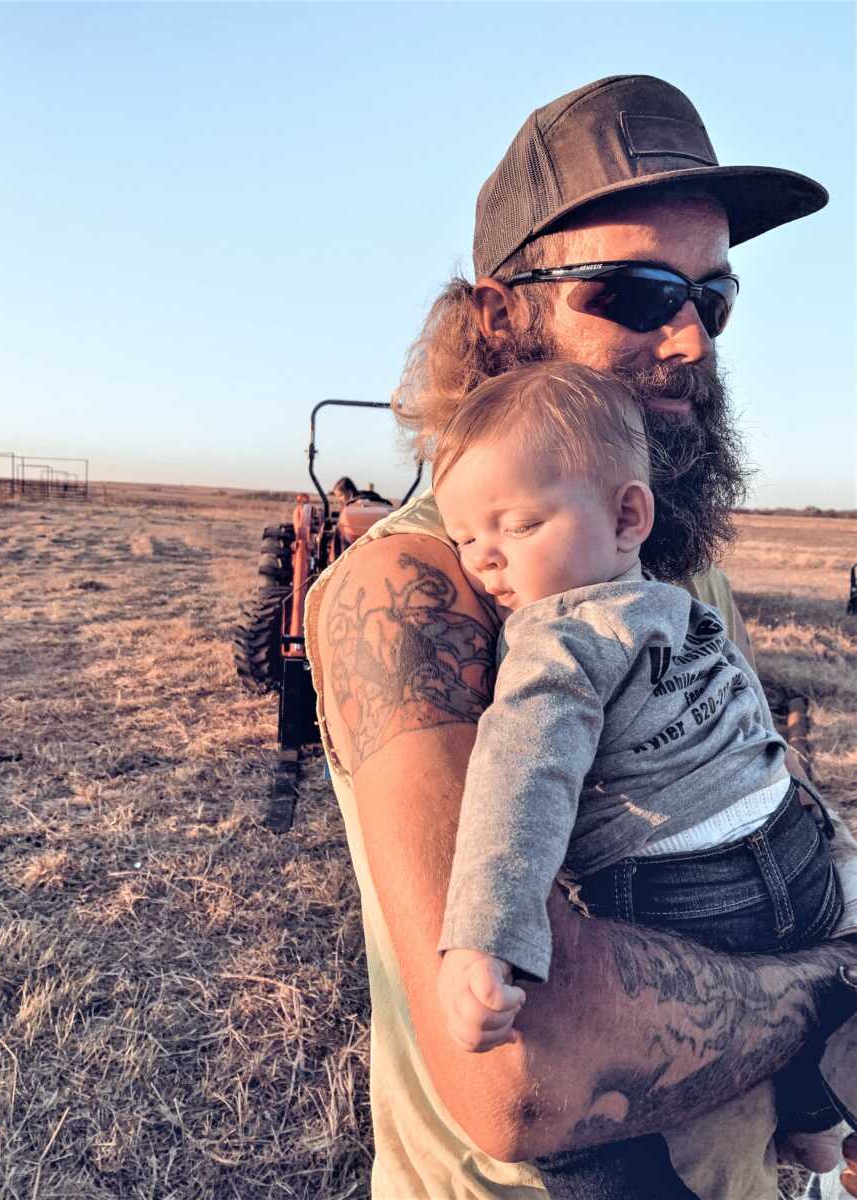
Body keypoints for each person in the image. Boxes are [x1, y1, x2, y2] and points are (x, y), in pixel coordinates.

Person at [304, 75, 857, 1199]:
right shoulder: (411, 588)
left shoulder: (660, 554)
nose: (693, 340)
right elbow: (525, 1073)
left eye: (715, 296)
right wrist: (834, 987)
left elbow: (742, 792)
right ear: (500, 316)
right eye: (637, 293)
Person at [432, 361, 856, 1182]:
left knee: (580, 1102)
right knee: (813, 984)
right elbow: (751, 723)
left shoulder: (555, 640)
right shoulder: (681, 609)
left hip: (686, 893)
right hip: (796, 858)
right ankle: (811, 1120)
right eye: (464, 540)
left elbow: (520, 782)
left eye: (515, 526)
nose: (484, 562)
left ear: (628, 514)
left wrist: (484, 936)